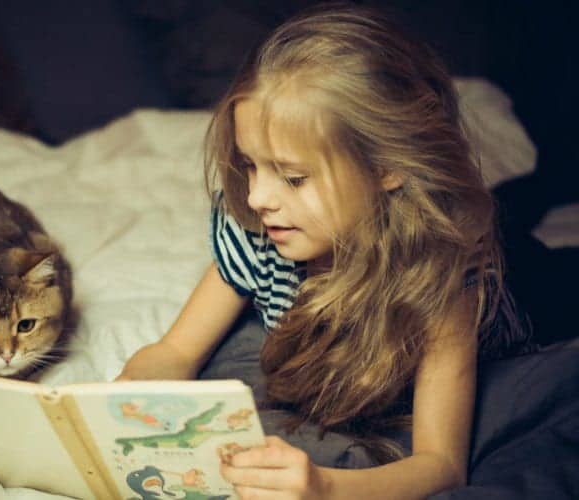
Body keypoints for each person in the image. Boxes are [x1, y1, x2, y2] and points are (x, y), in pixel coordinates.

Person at [117, 3, 530, 499]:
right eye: (250, 166)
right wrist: (125, 396)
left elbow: (441, 465)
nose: (257, 198)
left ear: (387, 168)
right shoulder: (256, 231)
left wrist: (325, 488)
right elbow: (175, 351)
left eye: (293, 177)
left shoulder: (443, 277)